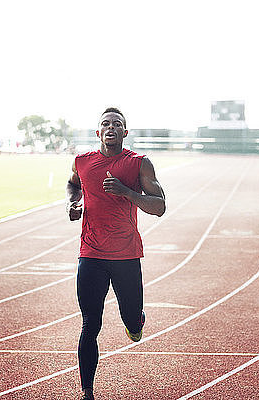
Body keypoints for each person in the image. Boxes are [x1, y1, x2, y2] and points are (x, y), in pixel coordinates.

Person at [66, 107, 166, 400]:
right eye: (105, 124)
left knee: (131, 319)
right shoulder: (82, 162)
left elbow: (159, 206)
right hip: (92, 254)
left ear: (125, 132)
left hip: (125, 256)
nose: (111, 128)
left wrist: (127, 193)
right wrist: (74, 204)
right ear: (98, 132)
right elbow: (74, 185)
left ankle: (136, 323)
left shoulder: (139, 164)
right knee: (90, 323)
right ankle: (87, 393)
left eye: (117, 124)